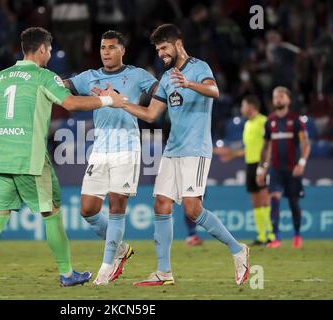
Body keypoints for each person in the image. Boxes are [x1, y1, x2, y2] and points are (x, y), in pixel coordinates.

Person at [95, 24, 250, 286]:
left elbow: (214, 91)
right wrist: (121, 102)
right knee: (161, 204)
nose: (161, 54)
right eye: (157, 50)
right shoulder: (166, 78)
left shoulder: (199, 68)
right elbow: (151, 114)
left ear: (177, 44)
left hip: (196, 150)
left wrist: (190, 83)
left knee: (192, 210)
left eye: (164, 48)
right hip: (172, 150)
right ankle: (163, 272)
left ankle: (238, 250)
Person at [0, 27, 125, 288]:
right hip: (30, 160)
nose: (50, 54)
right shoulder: (44, 77)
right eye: (50, 50)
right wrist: (109, 100)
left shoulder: (0, 77)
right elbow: (71, 105)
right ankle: (67, 274)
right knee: (51, 214)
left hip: (0, 159)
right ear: (42, 49)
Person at [63, 30, 158, 285]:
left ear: (122, 50)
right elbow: (63, 86)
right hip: (100, 150)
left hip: (127, 148)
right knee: (88, 209)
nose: (106, 51)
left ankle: (105, 270)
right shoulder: (89, 77)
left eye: (111, 47)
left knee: (117, 207)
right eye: (103, 47)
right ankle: (120, 249)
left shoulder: (137, 75)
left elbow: (161, 91)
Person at [215, 95, 275, 246]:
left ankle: (273, 236)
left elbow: (270, 146)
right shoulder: (248, 124)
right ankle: (261, 236)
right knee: (255, 201)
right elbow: (248, 148)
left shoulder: (264, 121)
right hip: (250, 164)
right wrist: (232, 154)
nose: (241, 109)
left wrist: (265, 166)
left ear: (252, 107)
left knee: (264, 200)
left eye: (243, 105)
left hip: (262, 165)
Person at [257, 86, 311, 249]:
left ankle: (297, 235)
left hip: (293, 169)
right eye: (275, 97)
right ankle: (277, 238)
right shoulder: (270, 121)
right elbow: (266, 147)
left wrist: (301, 163)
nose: (278, 99)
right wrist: (261, 169)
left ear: (288, 100)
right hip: (275, 169)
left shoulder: (296, 121)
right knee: (274, 199)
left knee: (294, 203)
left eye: (281, 96)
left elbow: (306, 144)